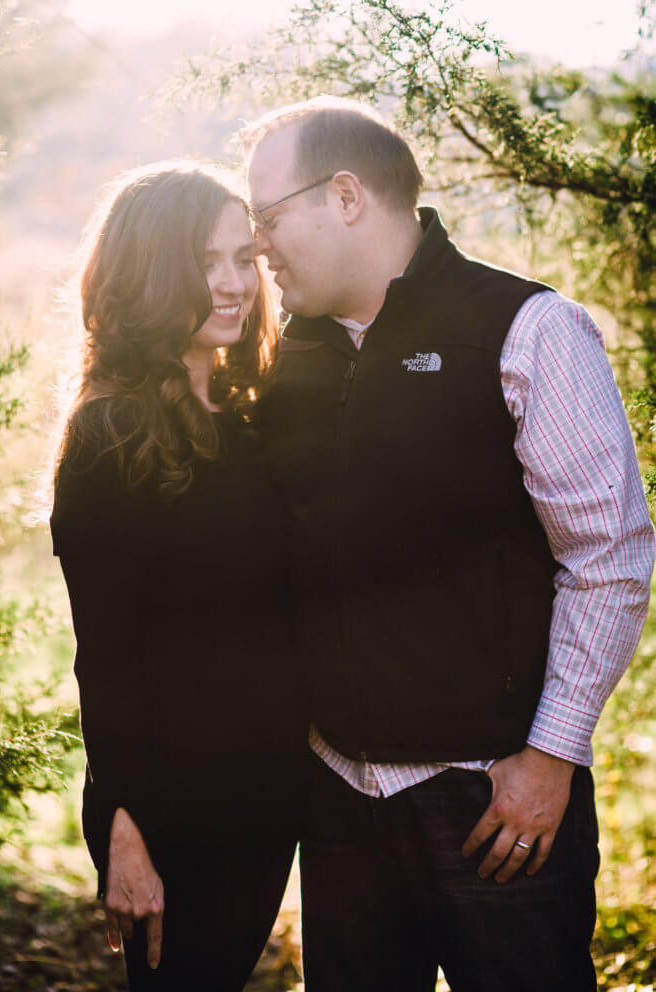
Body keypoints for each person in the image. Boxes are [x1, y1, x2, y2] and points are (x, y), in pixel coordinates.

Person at [243, 98, 655, 991]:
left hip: (495, 798)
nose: (259, 247)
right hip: (341, 796)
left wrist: (549, 757)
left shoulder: (526, 330)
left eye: (267, 219)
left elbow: (608, 557)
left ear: (344, 195)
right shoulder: (285, 362)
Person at [51, 161, 306, 990]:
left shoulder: (244, 421)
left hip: (267, 793)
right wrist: (121, 831)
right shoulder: (110, 436)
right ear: (152, 270)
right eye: (207, 262)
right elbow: (107, 654)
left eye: (245, 258)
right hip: (173, 806)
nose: (235, 284)